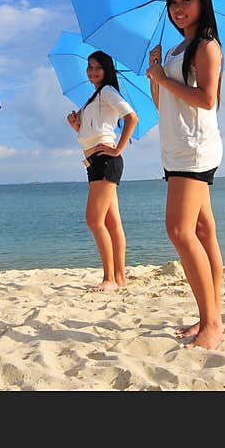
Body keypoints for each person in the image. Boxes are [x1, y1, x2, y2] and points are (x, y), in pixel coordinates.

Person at [145, 0, 225, 350]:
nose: (178, 8)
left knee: (179, 231)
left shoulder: (206, 47)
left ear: (201, 3)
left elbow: (207, 99)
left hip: (194, 149)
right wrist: (154, 74)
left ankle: (212, 324)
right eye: (173, 2)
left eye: (186, 0)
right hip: (176, 147)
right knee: (204, 232)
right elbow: (164, 105)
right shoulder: (177, 49)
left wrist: (163, 76)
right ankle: (211, 315)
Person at [66, 50, 138, 292]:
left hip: (105, 160)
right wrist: (77, 126)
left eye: (97, 67)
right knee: (111, 221)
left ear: (107, 70)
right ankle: (119, 278)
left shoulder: (107, 91)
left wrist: (118, 149)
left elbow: (132, 118)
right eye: (89, 67)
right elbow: (89, 136)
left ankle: (109, 278)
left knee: (94, 220)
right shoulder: (93, 97)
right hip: (95, 161)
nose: (92, 71)